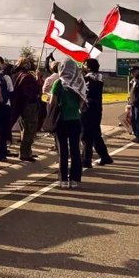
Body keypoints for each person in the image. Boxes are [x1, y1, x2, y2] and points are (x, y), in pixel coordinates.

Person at [50, 59, 87, 188]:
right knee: (75, 150)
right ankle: (75, 179)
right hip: (75, 119)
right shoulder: (79, 82)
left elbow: (52, 102)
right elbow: (82, 103)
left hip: (62, 120)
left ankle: (63, 180)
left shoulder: (59, 83)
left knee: (63, 151)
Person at [81, 58, 113, 168]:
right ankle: (103, 156)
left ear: (89, 66)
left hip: (89, 109)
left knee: (86, 135)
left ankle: (87, 159)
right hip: (96, 109)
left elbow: (86, 92)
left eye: (85, 64)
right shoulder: (98, 77)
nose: (83, 66)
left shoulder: (90, 79)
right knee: (94, 134)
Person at [11, 57, 40, 162]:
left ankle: (26, 151)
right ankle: (25, 153)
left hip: (23, 106)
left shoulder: (17, 75)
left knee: (26, 130)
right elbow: (29, 93)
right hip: (29, 106)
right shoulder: (26, 77)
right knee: (29, 130)